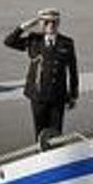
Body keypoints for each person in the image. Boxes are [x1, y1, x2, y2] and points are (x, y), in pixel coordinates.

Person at [4, 8, 79, 149]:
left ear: (58, 23)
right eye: (46, 22)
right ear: (41, 24)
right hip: (38, 96)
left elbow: (73, 70)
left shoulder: (66, 43)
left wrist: (73, 95)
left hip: (58, 96)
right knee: (40, 133)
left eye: (54, 23)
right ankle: (41, 156)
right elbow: (9, 42)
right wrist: (23, 27)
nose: (50, 26)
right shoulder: (34, 40)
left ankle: (57, 160)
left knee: (56, 133)